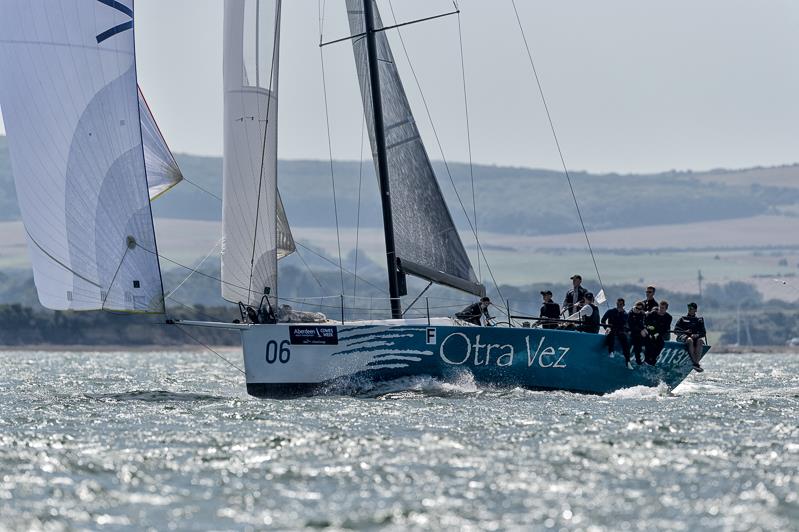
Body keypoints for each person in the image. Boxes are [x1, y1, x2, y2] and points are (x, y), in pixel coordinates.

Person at [674, 302, 706, 372]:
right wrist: (685, 331)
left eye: (691, 308)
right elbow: (676, 330)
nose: (689, 310)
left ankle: (696, 363)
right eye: (688, 308)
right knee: (690, 340)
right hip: (684, 337)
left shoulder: (699, 320)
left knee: (700, 341)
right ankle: (695, 362)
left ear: (695, 310)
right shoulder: (682, 319)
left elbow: (703, 333)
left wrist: (697, 335)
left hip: (695, 338)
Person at [602, 298, 632, 368]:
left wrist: (628, 331)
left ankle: (628, 361)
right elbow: (603, 321)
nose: (619, 305)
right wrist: (606, 328)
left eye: (621, 304)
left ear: (623, 305)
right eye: (618, 304)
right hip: (611, 329)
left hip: (620, 331)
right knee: (612, 333)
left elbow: (628, 326)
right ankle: (611, 351)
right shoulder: (610, 311)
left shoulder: (625, 314)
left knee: (625, 340)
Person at [644, 300, 672, 365]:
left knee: (660, 343)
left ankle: (653, 358)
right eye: (660, 307)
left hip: (659, 333)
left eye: (663, 308)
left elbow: (665, 328)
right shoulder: (652, 314)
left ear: (666, 309)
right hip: (649, 332)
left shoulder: (668, 317)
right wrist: (649, 329)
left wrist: (657, 334)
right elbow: (645, 323)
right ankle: (647, 358)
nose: (661, 309)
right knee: (650, 341)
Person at [628, 301, 647, 365]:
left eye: (639, 309)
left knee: (648, 336)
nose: (637, 310)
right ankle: (637, 358)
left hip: (638, 331)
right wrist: (640, 330)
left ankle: (647, 356)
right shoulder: (630, 313)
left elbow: (641, 324)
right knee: (637, 338)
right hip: (630, 330)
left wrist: (644, 329)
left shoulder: (642, 314)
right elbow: (631, 325)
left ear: (641, 309)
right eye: (636, 308)